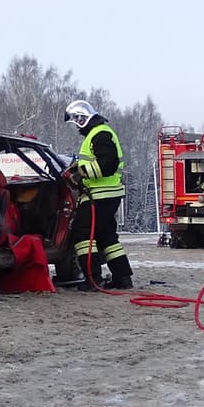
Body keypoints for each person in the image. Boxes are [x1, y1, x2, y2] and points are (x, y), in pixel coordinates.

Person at [63, 99, 133, 289]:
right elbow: (99, 160)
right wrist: (76, 167)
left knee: (82, 234)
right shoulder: (100, 134)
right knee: (106, 236)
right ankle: (123, 277)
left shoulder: (99, 134)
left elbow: (107, 164)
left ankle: (92, 279)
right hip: (108, 195)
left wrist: (80, 174)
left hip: (100, 195)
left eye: (76, 122)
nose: (77, 128)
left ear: (81, 118)